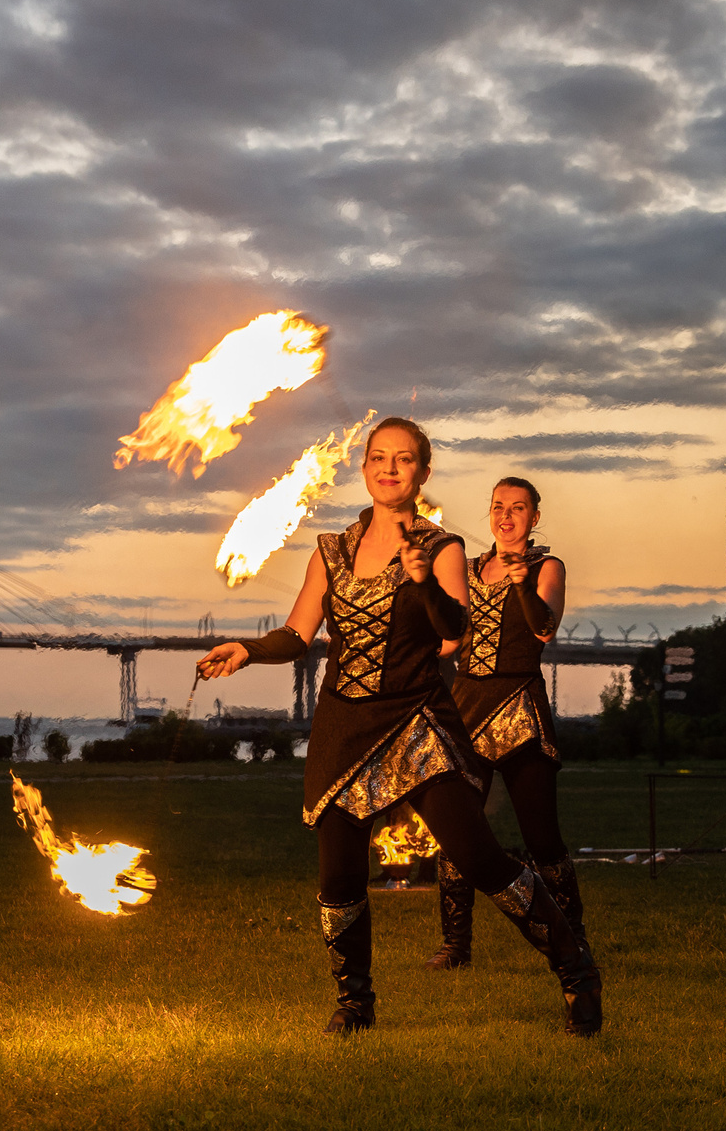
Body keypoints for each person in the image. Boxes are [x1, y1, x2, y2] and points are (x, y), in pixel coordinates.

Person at [199, 417, 602, 1036]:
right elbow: (298, 633)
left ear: (422, 472)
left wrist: (421, 582)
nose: (390, 468)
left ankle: (577, 971)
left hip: (415, 724)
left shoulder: (443, 548)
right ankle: (354, 1005)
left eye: (404, 459)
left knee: (479, 858)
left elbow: (454, 631)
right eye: (379, 458)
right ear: (364, 468)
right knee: (338, 877)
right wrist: (248, 650)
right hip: (342, 727)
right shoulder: (331, 550)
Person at [424, 475, 579, 969]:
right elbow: (449, 641)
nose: (505, 516)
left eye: (517, 507)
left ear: (534, 517)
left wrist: (520, 583)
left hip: (520, 709)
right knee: (457, 833)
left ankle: (572, 941)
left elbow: (544, 629)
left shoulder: (547, 567)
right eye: (497, 506)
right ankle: (455, 946)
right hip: (465, 709)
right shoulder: (466, 570)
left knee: (542, 838)